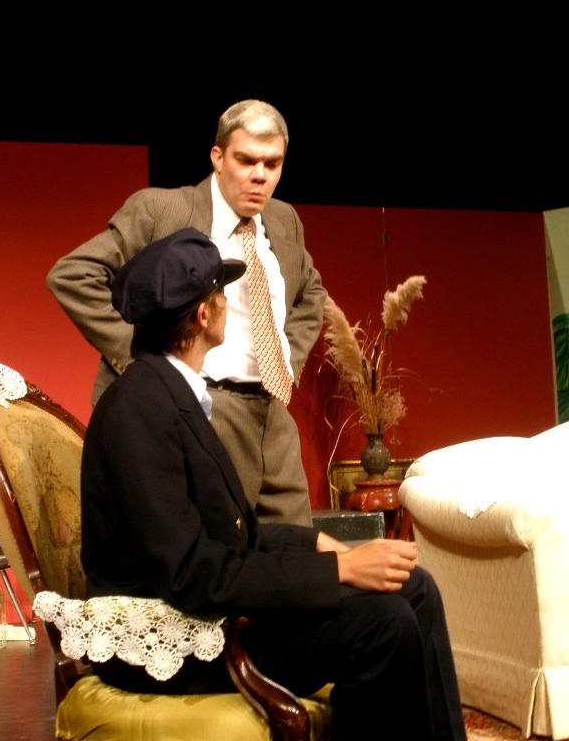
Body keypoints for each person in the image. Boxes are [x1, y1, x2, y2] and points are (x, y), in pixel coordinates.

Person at [81, 229, 466, 741]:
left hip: (211, 609)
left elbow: (234, 535)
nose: (227, 303)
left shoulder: (171, 393)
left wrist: (315, 543)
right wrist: (341, 569)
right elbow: (192, 574)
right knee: (384, 624)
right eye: (221, 292)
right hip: (180, 639)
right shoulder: (138, 410)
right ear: (204, 314)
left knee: (415, 589)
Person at [47, 99, 324, 527]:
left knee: (297, 549)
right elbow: (73, 275)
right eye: (246, 160)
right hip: (203, 408)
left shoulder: (284, 220)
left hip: (272, 414)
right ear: (218, 157)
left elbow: (311, 292)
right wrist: (147, 358)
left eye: (273, 163)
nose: (260, 175)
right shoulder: (164, 210)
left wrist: (289, 361)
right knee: (222, 552)